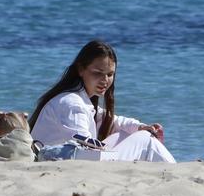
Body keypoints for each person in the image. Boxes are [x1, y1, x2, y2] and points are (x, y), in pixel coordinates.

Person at [27, 40, 175, 163]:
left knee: (129, 133)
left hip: (68, 159)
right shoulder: (71, 103)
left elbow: (111, 120)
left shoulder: (77, 99)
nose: (105, 80)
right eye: (97, 73)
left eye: (110, 74)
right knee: (146, 141)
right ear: (80, 69)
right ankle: (174, 175)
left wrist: (140, 126)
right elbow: (86, 150)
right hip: (66, 165)